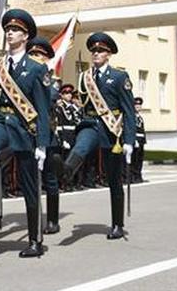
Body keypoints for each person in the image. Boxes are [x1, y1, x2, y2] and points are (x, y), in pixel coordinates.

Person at [0, 10, 52, 258]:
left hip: (25, 129)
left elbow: (43, 110)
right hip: (0, 121)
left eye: (15, 30)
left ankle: (35, 240)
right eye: (8, 30)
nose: (9, 33)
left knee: (29, 187)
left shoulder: (37, 68)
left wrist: (42, 144)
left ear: (25, 36)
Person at [56, 32, 136, 240]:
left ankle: (117, 224)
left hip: (111, 130)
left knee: (113, 179)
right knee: (81, 146)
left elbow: (128, 110)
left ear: (108, 54)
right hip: (91, 124)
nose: (96, 54)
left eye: (100, 51)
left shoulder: (119, 77)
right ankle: (66, 170)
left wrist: (128, 140)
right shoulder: (84, 77)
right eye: (94, 51)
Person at [25, 36, 63, 235]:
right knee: (31, 179)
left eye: (38, 55)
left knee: (49, 178)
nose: (35, 58)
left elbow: (49, 99)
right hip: (27, 133)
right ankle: (35, 219)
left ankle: (53, 220)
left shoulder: (51, 80)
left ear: (47, 58)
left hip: (47, 135)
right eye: (31, 54)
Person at [56, 83, 82, 192]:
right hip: (65, 135)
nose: (69, 95)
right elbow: (59, 125)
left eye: (70, 93)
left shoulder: (72, 107)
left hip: (73, 134)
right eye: (66, 93)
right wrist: (63, 140)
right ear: (61, 95)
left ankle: (71, 182)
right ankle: (63, 183)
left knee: (72, 160)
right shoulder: (60, 107)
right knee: (64, 161)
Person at [131, 97, 147, 183]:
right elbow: (132, 129)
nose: (138, 107)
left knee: (140, 159)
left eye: (139, 105)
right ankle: (133, 177)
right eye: (136, 105)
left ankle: (138, 176)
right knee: (135, 160)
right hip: (136, 139)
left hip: (141, 140)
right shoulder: (132, 117)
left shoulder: (139, 117)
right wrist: (134, 140)